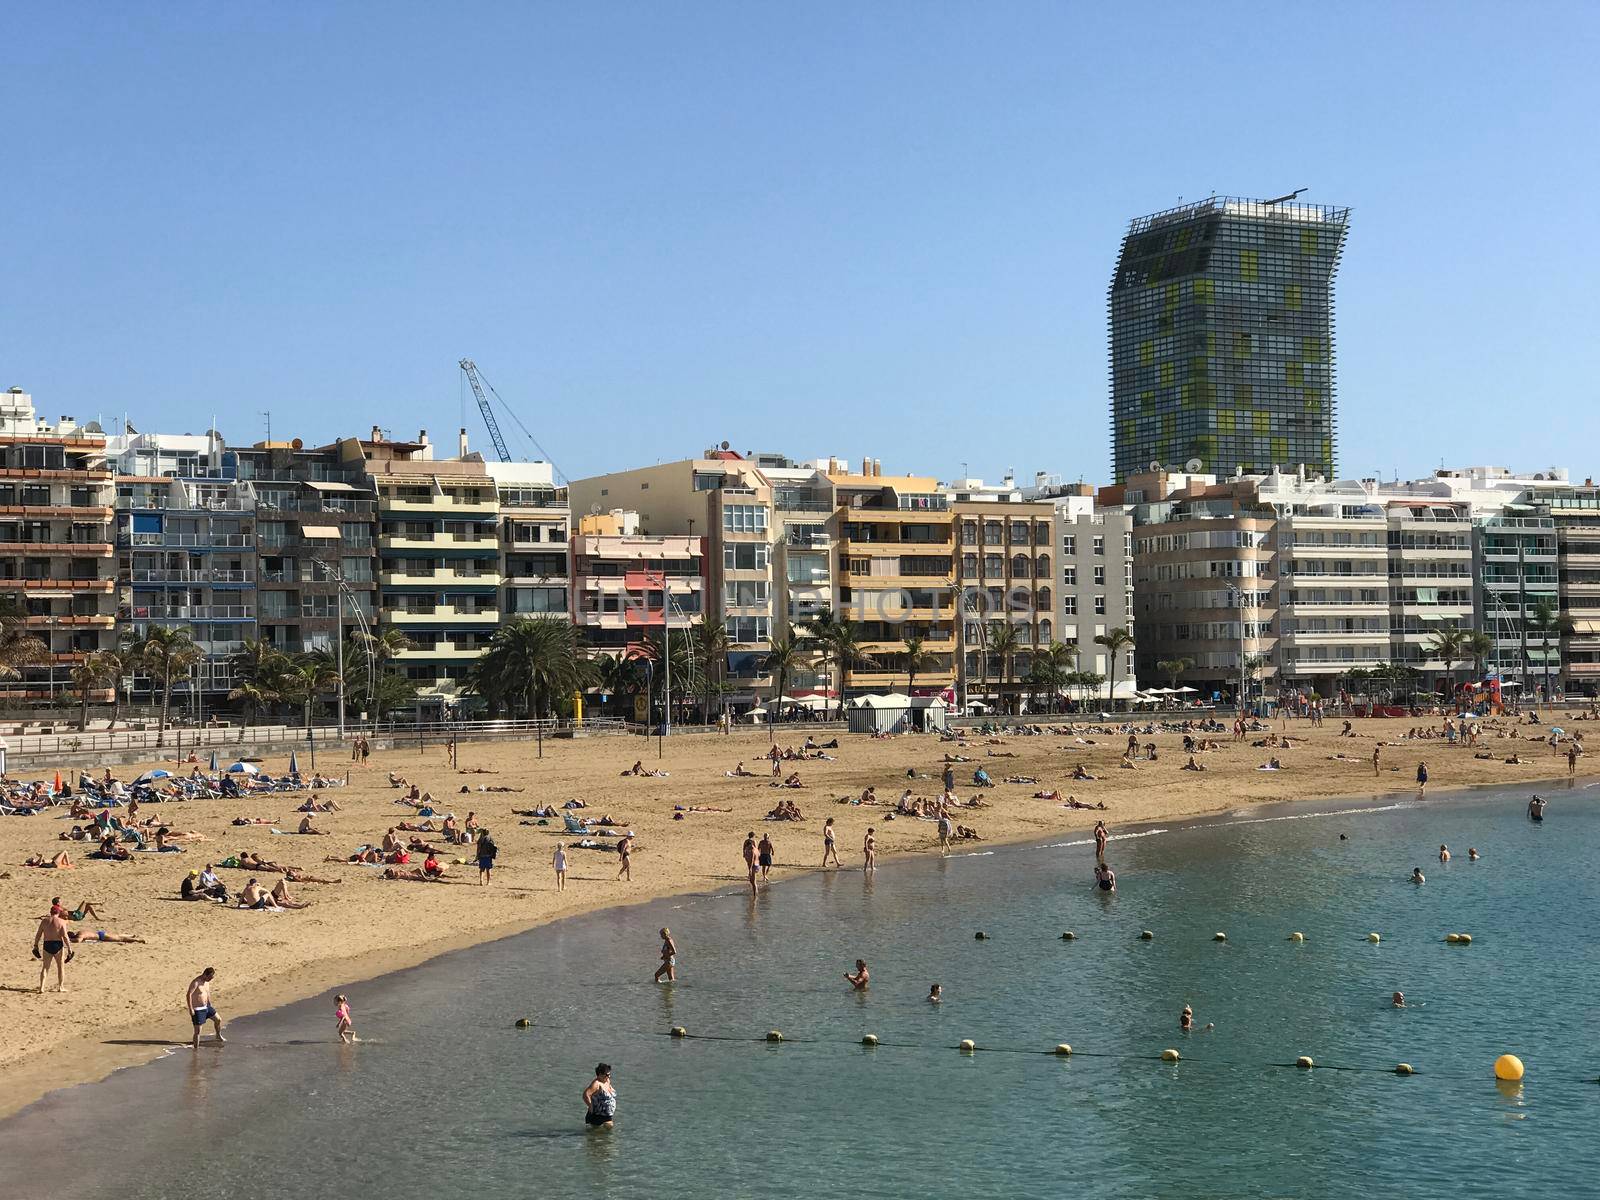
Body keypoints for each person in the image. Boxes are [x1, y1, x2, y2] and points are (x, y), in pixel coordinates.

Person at [32, 908, 71, 993]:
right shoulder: (61, 922)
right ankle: (61, 987)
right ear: (59, 912)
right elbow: (65, 937)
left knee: (45, 967)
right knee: (60, 967)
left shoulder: (44, 921)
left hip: (47, 945)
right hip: (58, 945)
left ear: (50, 912)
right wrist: (69, 949)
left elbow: (38, 934)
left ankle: (41, 987)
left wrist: (35, 946)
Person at [187, 967, 224, 1049]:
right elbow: (188, 995)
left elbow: (207, 992)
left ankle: (218, 1035)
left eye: (212, 978)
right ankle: (195, 1050)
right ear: (205, 974)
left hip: (207, 1007)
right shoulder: (195, 982)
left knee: (218, 1019)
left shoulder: (207, 982)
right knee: (198, 1031)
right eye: (210, 977)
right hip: (198, 1009)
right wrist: (191, 1009)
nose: (210, 979)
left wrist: (209, 1002)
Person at [583, 1063, 618, 1129]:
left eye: (609, 1074)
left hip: (607, 1116)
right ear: (600, 1074)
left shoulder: (607, 1081)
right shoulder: (596, 1084)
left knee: (607, 1136)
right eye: (607, 1075)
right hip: (597, 1117)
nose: (609, 1076)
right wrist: (590, 1106)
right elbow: (586, 1095)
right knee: (596, 1136)